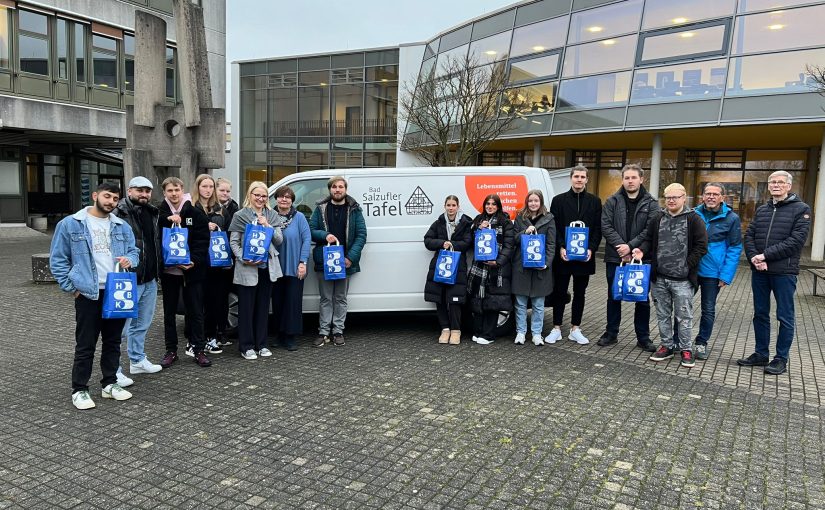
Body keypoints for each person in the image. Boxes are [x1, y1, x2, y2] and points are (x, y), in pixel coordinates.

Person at [50, 182, 139, 410]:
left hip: (116, 290)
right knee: (86, 343)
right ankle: (79, 389)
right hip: (88, 293)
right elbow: (58, 260)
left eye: (115, 198)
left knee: (113, 341)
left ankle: (109, 383)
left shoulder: (121, 226)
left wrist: (131, 260)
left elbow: (133, 251)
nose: (111, 202)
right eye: (107, 196)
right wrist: (72, 287)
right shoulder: (71, 224)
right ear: (95, 195)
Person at [738, 171, 811, 375]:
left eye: (780, 182)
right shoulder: (763, 209)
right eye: (772, 182)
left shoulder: (801, 209)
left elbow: (796, 242)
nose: (776, 185)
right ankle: (761, 354)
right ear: (768, 186)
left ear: (789, 186)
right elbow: (749, 235)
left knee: (784, 316)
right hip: (760, 271)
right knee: (760, 314)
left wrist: (764, 256)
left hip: (784, 273)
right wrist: (754, 257)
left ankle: (781, 358)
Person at [636, 183, 707, 368]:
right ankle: (666, 346)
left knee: (684, 317)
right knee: (662, 315)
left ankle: (685, 349)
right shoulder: (658, 217)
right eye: (668, 197)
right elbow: (649, 240)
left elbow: (701, 246)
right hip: (659, 278)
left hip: (683, 280)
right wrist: (641, 251)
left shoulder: (694, 219)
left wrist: (686, 265)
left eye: (675, 197)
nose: (671, 200)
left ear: (684, 198)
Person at [599, 164, 659, 351]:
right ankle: (611, 333)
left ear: (642, 179)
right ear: (622, 180)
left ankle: (643, 337)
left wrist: (631, 247)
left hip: (641, 257)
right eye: (627, 178)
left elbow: (650, 230)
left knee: (641, 299)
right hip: (615, 257)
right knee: (613, 296)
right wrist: (622, 249)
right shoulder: (612, 201)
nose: (630, 181)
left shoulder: (652, 203)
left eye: (634, 177)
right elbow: (606, 226)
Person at [157, 176, 212, 368]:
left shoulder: (195, 212)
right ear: (164, 192)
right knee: (169, 313)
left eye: (177, 190)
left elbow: (203, 240)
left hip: (192, 272)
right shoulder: (159, 213)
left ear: (183, 190)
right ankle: (171, 350)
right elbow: (155, 240)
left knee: (196, 312)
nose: (174, 194)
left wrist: (194, 261)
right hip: (169, 272)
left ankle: (199, 349)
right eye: (170, 191)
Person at [112, 176, 162, 383]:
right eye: (139, 190)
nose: (144, 194)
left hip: (149, 278)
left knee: (142, 324)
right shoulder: (118, 213)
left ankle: (137, 360)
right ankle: (112, 369)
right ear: (129, 191)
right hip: (127, 279)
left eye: (147, 191)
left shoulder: (152, 212)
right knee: (119, 329)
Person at [546, 165, 602, 346]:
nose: (579, 179)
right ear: (571, 178)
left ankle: (575, 328)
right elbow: (554, 227)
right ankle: (556, 328)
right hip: (564, 255)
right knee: (559, 292)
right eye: (576, 176)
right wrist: (561, 247)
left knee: (580, 293)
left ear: (587, 180)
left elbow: (597, 229)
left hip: (584, 256)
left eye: (582, 177)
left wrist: (591, 249)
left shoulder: (595, 201)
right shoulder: (558, 201)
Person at [228, 181, 284, 360]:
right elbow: (233, 242)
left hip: (266, 268)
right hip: (247, 268)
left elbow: (279, 240)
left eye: (263, 196)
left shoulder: (272, 214)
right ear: (250, 196)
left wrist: (267, 225)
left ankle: (262, 344)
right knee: (246, 309)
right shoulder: (240, 215)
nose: (260, 199)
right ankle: (246, 346)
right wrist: (242, 258)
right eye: (257, 195)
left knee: (262, 308)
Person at [309, 176, 367, 347]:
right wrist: (324, 235)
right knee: (326, 298)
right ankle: (324, 331)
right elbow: (311, 230)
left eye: (341, 186)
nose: (337, 190)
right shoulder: (320, 209)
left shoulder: (354, 209)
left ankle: (338, 331)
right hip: (325, 261)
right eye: (334, 187)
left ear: (345, 189)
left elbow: (361, 235)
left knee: (340, 298)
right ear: (330, 190)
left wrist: (350, 258)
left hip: (344, 261)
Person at [687, 182, 742, 360]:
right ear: (702, 196)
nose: (711, 197)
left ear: (722, 198)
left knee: (708, 309)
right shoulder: (693, 214)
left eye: (715, 194)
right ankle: (678, 339)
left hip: (713, 273)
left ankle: (701, 342)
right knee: (682, 305)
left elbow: (735, 248)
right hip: (692, 269)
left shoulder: (731, 218)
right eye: (707, 193)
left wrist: (726, 275)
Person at [423, 195, 473, 345]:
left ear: (458, 206)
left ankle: (456, 330)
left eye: (453, 205)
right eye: (448, 205)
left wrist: (451, 244)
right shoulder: (438, 222)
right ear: (445, 206)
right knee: (440, 298)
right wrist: (441, 243)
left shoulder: (465, 223)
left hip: (458, 266)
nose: (451, 208)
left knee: (455, 299)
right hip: (440, 265)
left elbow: (467, 243)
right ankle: (445, 329)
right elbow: (427, 240)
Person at [468, 194, 514, 345]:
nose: (490, 206)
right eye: (488, 203)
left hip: (496, 269)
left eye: (494, 204)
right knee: (478, 302)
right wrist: (477, 229)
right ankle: (478, 331)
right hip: (479, 268)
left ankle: (489, 335)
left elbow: (509, 246)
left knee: (493, 303)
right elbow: (470, 240)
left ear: (498, 206)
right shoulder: (478, 220)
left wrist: (498, 261)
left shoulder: (505, 222)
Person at [512, 190, 555, 346]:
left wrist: (547, 263)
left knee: (538, 304)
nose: (533, 203)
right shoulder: (520, 218)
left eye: (536, 201)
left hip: (540, 269)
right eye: (530, 201)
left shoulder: (549, 219)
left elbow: (551, 244)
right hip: (521, 267)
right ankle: (520, 332)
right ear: (526, 202)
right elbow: (514, 240)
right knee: (521, 304)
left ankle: (537, 334)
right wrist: (525, 232)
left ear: (541, 202)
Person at [270, 185, 311, 351]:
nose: (284, 199)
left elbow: (307, 239)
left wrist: (303, 262)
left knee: (292, 303)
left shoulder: (299, 217)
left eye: (287, 197)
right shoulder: (270, 216)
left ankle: (290, 337)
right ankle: (279, 336)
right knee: (278, 303)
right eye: (281, 196)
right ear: (276, 199)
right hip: (275, 268)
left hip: (294, 267)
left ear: (292, 200)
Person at [191, 173, 228, 355]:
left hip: (217, 263)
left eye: (210, 187)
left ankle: (211, 338)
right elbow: (184, 234)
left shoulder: (219, 208)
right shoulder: (190, 208)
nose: (207, 190)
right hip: (198, 263)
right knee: (198, 305)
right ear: (198, 187)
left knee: (215, 302)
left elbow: (227, 233)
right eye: (204, 186)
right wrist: (204, 226)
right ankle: (196, 341)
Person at [214, 177, 240, 347]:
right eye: (222, 190)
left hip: (229, 259)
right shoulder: (211, 208)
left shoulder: (234, 207)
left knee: (224, 298)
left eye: (228, 191)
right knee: (214, 298)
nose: (225, 193)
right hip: (213, 258)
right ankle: (213, 333)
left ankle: (222, 333)